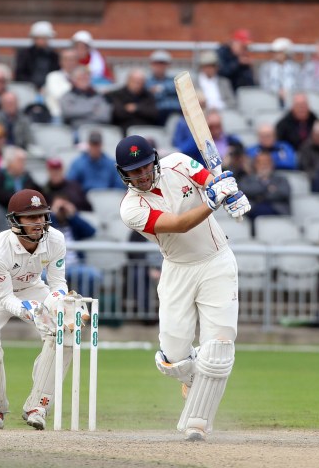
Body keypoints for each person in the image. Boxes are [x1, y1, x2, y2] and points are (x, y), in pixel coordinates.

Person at [116, 134, 250, 441]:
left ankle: (197, 424)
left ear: (154, 159)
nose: (142, 175)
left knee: (219, 347)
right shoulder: (131, 208)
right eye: (134, 171)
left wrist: (229, 190)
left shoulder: (178, 162)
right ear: (123, 173)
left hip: (216, 261)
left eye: (145, 166)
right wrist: (214, 201)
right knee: (173, 360)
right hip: (177, 269)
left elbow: (211, 181)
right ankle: (193, 379)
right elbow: (179, 225)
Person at [0, 188, 75, 430]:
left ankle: (38, 406)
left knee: (65, 331)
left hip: (31, 288)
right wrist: (29, 310)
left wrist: (58, 303)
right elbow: (5, 298)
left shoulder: (55, 239)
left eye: (41, 215)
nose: (38, 222)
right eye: (31, 217)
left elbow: (58, 284)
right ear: (15, 221)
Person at [49, 195, 101, 296]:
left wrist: (73, 215)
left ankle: (82, 304)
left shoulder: (73, 224)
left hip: (74, 266)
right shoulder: (50, 224)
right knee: (41, 277)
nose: (62, 209)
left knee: (94, 275)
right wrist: (53, 215)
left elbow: (91, 232)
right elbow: (43, 230)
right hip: (51, 267)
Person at [106, 68, 159, 134]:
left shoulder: (148, 96)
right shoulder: (118, 94)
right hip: (123, 131)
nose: (137, 84)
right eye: (135, 81)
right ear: (128, 81)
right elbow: (118, 113)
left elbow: (154, 114)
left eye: (140, 82)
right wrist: (142, 112)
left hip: (145, 131)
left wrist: (136, 108)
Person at [241, 150, 291, 219]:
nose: (264, 165)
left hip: (277, 212)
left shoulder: (281, 179)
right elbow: (244, 191)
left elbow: (284, 193)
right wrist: (267, 188)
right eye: (261, 163)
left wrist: (259, 196)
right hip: (253, 212)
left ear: (272, 164)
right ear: (255, 165)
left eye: (267, 162)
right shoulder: (247, 180)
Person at [15, 21, 59, 90]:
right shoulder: (25, 54)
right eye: (39, 38)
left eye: (44, 38)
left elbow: (56, 73)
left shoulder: (53, 56)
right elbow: (19, 74)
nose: (41, 41)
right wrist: (34, 85)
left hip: (49, 89)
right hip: (27, 88)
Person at [259, 37, 300, 107]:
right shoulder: (266, 68)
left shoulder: (295, 68)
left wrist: (288, 92)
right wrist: (277, 92)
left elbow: (299, 84)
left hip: (291, 100)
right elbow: (264, 85)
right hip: (271, 100)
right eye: (275, 52)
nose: (276, 55)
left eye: (279, 52)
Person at [146, 50, 181, 126]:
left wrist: (161, 88)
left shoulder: (174, 80)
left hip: (174, 113)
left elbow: (179, 90)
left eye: (163, 63)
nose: (160, 66)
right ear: (152, 65)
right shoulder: (146, 81)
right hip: (155, 116)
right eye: (156, 63)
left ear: (168, 65)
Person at [44, 49, 78, 121]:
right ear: (60, 62)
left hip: (81, 115)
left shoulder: (83, 77)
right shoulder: (53, 76)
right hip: (58, 115)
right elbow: (60, 96)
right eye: (66, 59)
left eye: (72, 59)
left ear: (77, 61)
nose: (70, 62)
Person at [217, 28, 256, 93]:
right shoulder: (223, 53)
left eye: (246, 47)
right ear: (235, 43)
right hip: (225, 91)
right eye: (243, 46)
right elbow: (223, 72)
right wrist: (238, 62)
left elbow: (249, 81)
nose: (245, 50)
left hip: (241, 92)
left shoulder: (242, 56)